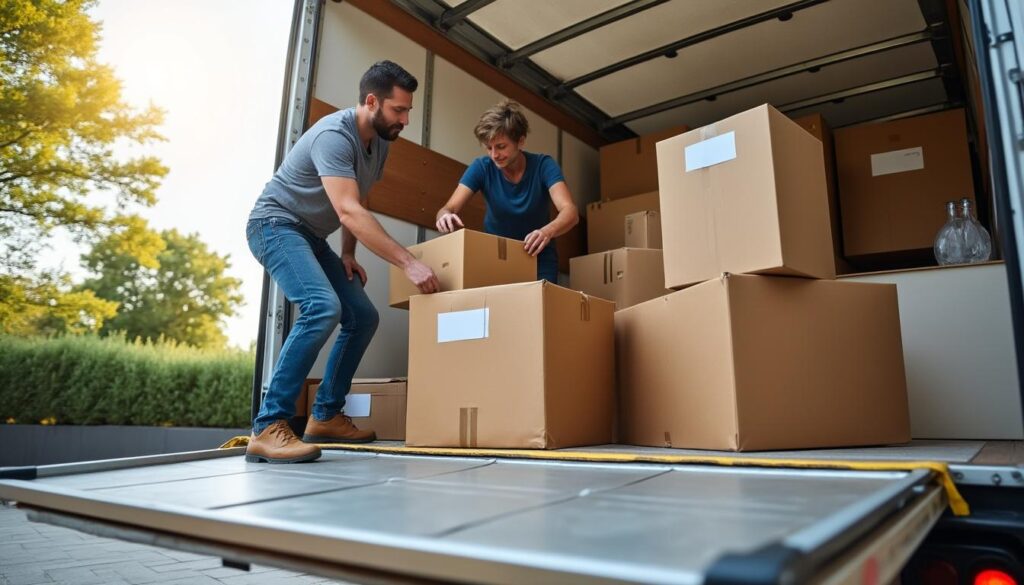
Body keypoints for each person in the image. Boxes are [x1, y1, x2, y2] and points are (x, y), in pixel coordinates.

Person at [244, 60, 440, 464]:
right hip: (274, 225)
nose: (405, 119)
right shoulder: (335, 136)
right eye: (398, 110)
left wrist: (349, 253)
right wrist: (408, 263)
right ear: (372, 101)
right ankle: (267, 426)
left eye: (408, 111)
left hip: (311, 236)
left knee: (363, 316)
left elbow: (359, 198)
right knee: (322, 307)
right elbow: (348, 210)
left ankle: (326, 415)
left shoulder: (380, 142)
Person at [435, 100, 579, 282]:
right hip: (497, 259)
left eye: (501, 147)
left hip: (539, 259)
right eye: (489, 148)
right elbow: (447, 208)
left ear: (521, 141)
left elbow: (570, 212)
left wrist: (546, 232)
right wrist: (444, 216)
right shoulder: (482, 167)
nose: (494, 154)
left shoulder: (544, 165)